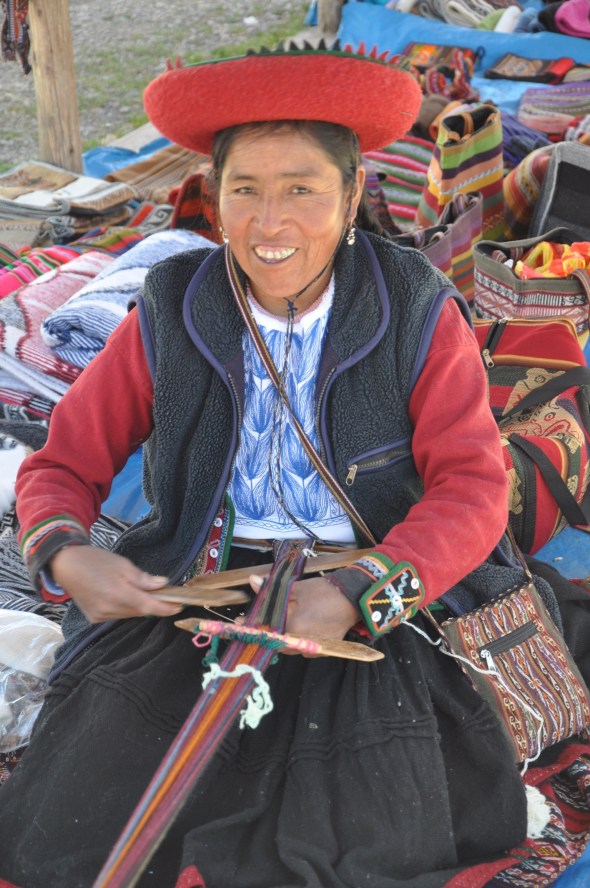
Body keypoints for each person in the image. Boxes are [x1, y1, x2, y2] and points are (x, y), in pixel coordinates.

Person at [0, 44, 583, 888]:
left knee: (369, 826)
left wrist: (359, 594)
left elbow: (472, 487)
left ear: (351, 197)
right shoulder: (170, 312)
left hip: (377, 590)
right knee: (86, 814)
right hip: (203, 593)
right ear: (216, 198)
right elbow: (63, 463)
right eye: (246, 190)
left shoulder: (416, 311)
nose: (270, 223)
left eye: (302, 189)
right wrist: (66, 554)